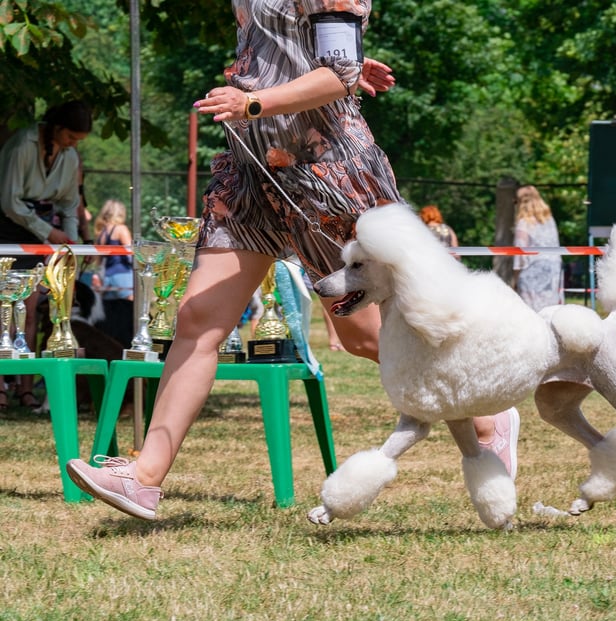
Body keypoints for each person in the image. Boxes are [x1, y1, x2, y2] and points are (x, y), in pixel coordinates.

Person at [65, 1, 518, 520]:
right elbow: (306, 57)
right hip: (249, 174)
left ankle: (488, 414)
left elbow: (338, 73)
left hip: (323, 172)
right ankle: (143, 479)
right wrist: (305, 76)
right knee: (197, 317)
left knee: (363, 336)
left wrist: (259, 100)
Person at [0, 100, 92, 410]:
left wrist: (71, 246)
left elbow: (68, 206)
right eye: (71, 138)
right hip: (6, 226)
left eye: (77, 141)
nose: (72, 145)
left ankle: (26, 389)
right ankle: (0, 387)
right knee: (3, 313)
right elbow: (10, 202)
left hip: (39, 231)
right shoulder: (21, 145)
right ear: (57, 128)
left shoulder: (68, 156)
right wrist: (48, 233)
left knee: (29, 312)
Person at [512, 185, 562, 312]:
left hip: (531, 276)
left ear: (520, 202)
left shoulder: (524, 223)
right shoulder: (550, 220)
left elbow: (520, 256)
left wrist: (515, 280)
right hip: (553, 273)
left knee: (531, 315)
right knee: (550, 313)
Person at [93, 199, 134, 348]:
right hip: (123, 276)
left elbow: (98, 261)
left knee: (111, 318)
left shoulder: (101, 233)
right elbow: (131, 254)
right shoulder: (121, 229)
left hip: (107, 278)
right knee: (130, 315)